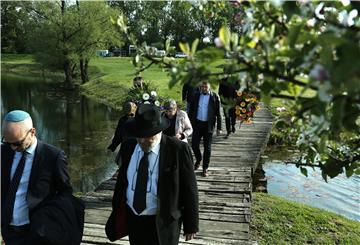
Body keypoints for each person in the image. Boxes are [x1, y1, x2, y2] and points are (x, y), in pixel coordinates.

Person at [105, 104, 199, 245]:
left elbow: (190, 188)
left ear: (158, 132)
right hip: (134, 219)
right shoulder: (129, 146)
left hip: (163, 221)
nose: (142, 141)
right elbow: (122, 183)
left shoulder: (178, 149)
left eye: (146, 136)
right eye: (139, 136)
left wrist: (191, 224)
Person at [1, 110, 84, 245]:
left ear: (32, 132)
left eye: (17, 143)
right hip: (8, 230)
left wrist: (48, 220)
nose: (13, 147)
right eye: (7, 141)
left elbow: (65, 192)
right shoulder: (4, 151)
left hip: (36, 230)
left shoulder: (53, 156)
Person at [188, 81, 222, 177]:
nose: (203, 89)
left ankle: (205, 168)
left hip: (208, 125)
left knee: (207, 148)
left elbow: (218, 113)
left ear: (209, 87)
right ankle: (199, 159)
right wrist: (188, 124)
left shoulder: (214, 97)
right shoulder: (196, 96)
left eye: (205, 87)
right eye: (202, 87)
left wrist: (219, 127)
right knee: (194, 145)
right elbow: (191, 111)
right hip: (197, 124)